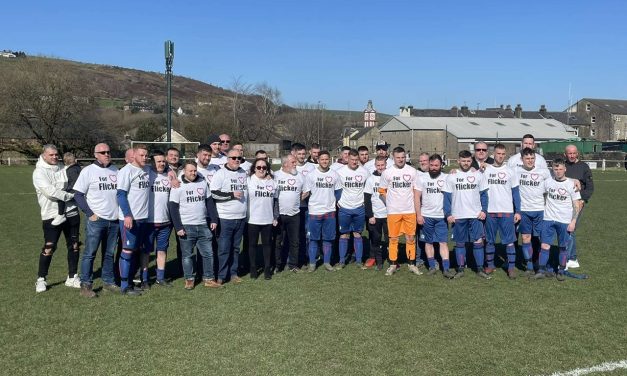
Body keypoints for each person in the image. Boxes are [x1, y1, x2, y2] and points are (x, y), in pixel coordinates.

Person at [32, 144, 81, 293]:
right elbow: (51, 192)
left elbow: (75, 183)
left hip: (71, 211)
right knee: (49, 246)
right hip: (51, 214)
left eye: (56, 155)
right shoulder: (39, 172)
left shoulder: (63, 168)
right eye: (51, 155)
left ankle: (72, 277)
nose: (55, 157)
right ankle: (41, 279)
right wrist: (71, 195)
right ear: (44, 155)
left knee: (74, 245)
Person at [74, 143, 120, 297]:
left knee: (109, 253)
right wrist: (89, 213)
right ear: (95, 154)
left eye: (108, 151)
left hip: (114, 220)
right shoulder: (88, 171)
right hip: (97, 220)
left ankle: (108, 282)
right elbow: (78, 194)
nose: (106, 154)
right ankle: (86, 285)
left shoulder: (115, 170)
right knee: (90, 253)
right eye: (103, 152)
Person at [169, 161, 220, 289]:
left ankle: (208, 278)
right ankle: (189, 279)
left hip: (203, 224)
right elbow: (173, 208)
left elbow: (209, 202)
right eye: (190, 171)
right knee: (187, 255)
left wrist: (214, 219)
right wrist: (178, 227)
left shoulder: (202, 183)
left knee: (208, 254)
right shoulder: (178, 186)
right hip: (186, 226)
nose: (193, 173)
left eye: (194, 170)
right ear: (184, 172)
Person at [531, 158, 582, 281]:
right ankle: (541, 270)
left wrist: (573, 221)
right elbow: (540, 195)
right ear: (552, 169)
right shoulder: (547, 182)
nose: (558, 171)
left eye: (560, 169)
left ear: (565, 169)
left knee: (563, 247)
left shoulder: (571, 184)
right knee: (544, 245)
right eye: (555, 169)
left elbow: (577, 204)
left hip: (565, 221)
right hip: (548, 219)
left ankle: (561, 271)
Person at [443, 150, 491, 279]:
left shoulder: (478, 175)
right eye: (463, 161)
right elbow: (447, 197)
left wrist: (484, 210)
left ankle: (480, 269)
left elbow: (484, 195)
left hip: (475, 215)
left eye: (468, 161)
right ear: (458, 161)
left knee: (478, 242)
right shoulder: (451, 176)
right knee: (460, 243)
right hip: (458, 215)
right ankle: (460, 269)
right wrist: (448, 214)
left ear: (472, 161)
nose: (466, 163)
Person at [378, 146, 422, 276]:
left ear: (406, 157)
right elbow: (381, 191)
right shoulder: (387, 172)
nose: (401, 160)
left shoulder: (413, 171)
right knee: (393, 239)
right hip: (394, 212)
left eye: (403, 157)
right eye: (398, 157)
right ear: (393, 157)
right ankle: (393, 264)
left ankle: (412, 264)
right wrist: (390, 204)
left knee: (410, 238)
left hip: (409, 211)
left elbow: (416, 191)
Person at [116, 144, 151, 295]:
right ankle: (124, 286)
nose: (145, 158)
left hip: (144, 219)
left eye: (146, 155)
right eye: (142, 155)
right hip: (130, 219)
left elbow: (165, 169)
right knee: (127, 251)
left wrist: (172, 175)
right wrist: (127, 215)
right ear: (134, 155)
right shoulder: (126, 171)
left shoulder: (147, 169)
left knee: (137, 251)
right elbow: (121, 195)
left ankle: (131, 282)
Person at [211, 149, 248, 284]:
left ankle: (233, 273)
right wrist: (231, 195)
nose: (237, 160)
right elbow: (213, 193)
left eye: (239, 158)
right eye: (233, 158)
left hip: (241, 217)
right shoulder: (220, 173)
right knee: (224, 249)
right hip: (225, 218)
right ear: (227, 159)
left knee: (236, 248)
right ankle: (221, 276)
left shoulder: (243, 172)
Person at [483, 144, 521, 279]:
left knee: (509, 241)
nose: (500, 156)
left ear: (505, 155)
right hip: (490, 211)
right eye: (498, 153)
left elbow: (516, 193)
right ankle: (490, 265)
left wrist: (518, 211)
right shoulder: (486, 170)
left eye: (503, 154)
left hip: (507, 211)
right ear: (493, 154)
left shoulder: (511, 171)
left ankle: (511, 268)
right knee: (489, 241)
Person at [414, 154, 454, 278]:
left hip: (441, 216)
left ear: (441, 165)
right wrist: (419, 215)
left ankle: (446, 269)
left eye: (436, 165)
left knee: (443, 243)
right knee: (428, 242)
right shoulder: (421, 178)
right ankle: (431, 266)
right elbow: (416, 197)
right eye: (431, 165)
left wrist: (456, 170)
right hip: (426, 216)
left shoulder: (447, 178)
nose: (434, 167)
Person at [303, 150, 342, 272]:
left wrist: (331, 202)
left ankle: (327, 262)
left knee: (328, 239)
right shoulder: (311, 175)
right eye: (322, 159)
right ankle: (312, 264)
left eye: (327, 159)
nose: (324, 161)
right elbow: (307, 193)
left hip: (330, 212)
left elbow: (338, 192)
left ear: (329, 160)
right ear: (318, 160)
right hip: (314, 212)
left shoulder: (335, 175)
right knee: (313, 239)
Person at [515, 148, 551, 275]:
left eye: (532, 158)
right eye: (527, 158)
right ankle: (529, 266)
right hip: (524, 211)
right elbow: (497, 171)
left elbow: (555, 183)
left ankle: (542, 265)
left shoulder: (544, 172)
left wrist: (573, 180)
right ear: (522, 159)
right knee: (525, 238)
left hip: (540, 210)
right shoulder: (516, 171)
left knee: (542, 238)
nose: (530, 161)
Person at [336, 149, 370, 269]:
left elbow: (368, 189)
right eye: (352, 160)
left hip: (359, 208)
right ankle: (341, 261)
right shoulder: (340, 172)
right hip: (344, 208)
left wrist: (365, 203)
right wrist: (337, 202)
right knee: (344, 234)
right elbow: (335, 188)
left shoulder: (365, 172)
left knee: (357, 234)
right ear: (347, 159)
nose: (354, 162)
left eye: (356, 160)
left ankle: (359, 260)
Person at [246, 158, 279, 280]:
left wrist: (275, 216)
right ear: (254, 168)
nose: (261, 169)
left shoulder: (272, 182)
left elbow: (276, 201)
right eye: (259, 167)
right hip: (252, 219)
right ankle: (253, 268)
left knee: (267, 245)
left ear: (267, 169)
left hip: (267, 219)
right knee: (252, 245)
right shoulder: (248, 180)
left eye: (264, 167)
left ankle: (266, 269)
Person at [146, 150, 174, 287]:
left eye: (164, 161)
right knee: (146, 252)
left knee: (162, 250)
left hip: (165, 221)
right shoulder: (147, 174)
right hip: (149, 222)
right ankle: (145, 279)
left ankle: (160, 277)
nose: (162, 163)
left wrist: (169, 171)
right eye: (159, 161)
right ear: (152, 162)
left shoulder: (169, 176)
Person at [564, 145, 594, 269]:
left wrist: (583, 199)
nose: (572, 155)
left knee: (570, 229)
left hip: (577, 203)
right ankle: (572, 257)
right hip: (562, 203)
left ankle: (570, 258)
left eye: (574, 153)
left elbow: (590, 187)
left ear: (577, 154)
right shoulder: (562, 166)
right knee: (566, 229)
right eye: (569, 153)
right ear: (565, 154)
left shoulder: (584, 167)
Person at [274, 155, 305, 272]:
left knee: (295, 241)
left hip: (295, 214)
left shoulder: (300, 176)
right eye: (293, 162)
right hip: (279, 215)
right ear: (285, 163)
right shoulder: (275, 175)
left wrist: (296, 198)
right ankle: (277, 265)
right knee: (278, 241)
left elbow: (306, 191)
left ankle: (293, 264)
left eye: (295, 162)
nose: (295, 164)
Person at [363, 156, 388, 270]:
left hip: (388, 215)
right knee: (376, 239)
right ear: (375, 166)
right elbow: (367, 199)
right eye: (378, 165)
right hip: (376, 215)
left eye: (382, 165)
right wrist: (370, 215)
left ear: (386, 165)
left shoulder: (390, 177)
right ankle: (379, 262)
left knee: (390, 239)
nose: (380, 167)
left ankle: (392, 260)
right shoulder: (370, 179)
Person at [54, 152, 81, 226]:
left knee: (60, 196)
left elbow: (74, 182)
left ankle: (60, 215)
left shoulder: (71, 170)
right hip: (78, 190)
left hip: (75, 192)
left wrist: (67, 190)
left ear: (65, 162)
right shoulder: (77, 167)